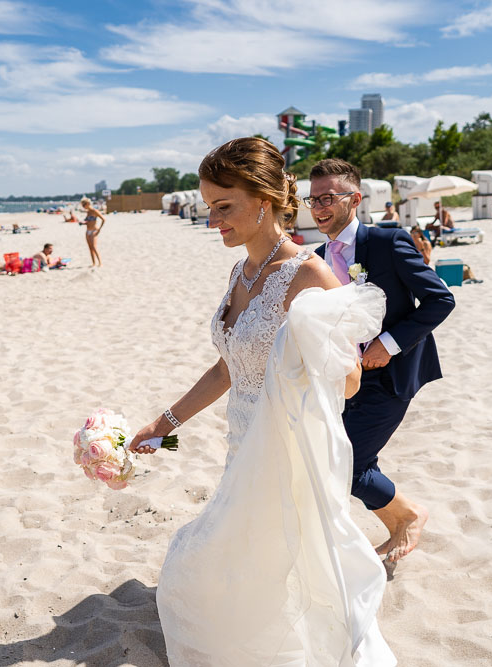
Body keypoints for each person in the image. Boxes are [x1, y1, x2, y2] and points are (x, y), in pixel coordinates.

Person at [128, 137, 396, 665]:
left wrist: (294, 370)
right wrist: (164, 422)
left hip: (286, 447)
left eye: (224, 207)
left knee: (264, 550)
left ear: (265, 201)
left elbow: (348, 385)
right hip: (241, 440)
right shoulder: (240, 273)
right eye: (209, 208)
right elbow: (228, 367)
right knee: (251, 551)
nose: (213, 221)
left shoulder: (310, 275)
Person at [310, 158, 455, 562]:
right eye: (313, 199)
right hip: (345, 379)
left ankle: (408, 515)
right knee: (348, 458)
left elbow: (440, 300)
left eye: (328, 198)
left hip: (392, 374)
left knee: (347, 464)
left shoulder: (388, 242)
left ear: (354, 199)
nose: (319, 207)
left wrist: (387, 344)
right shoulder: (318, 257)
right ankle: (400, 520)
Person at [80, 197, 106, 267]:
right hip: (87, 231)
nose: (83, 206)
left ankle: (100, 262)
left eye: (84, 204)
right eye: (82, 205)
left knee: (94, 247)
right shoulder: (88, 212)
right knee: (90, 248)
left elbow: (103, 219)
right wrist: (83, 223)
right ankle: (94, 263)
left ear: (88, 203)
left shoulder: (94, 211)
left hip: (94, 230)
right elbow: (89, 222)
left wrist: (99, 230)